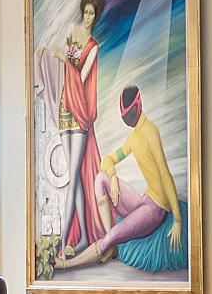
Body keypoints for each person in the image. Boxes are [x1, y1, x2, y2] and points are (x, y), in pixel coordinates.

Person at [53, 86, 183, 273]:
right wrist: (112, 176)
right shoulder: (134, 138)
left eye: (129, 114)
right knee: (101, 179)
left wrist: (177, 219)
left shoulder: (150, 133)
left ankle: (67, 264)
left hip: (156, 209)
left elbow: (165, 174)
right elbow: (108, 160)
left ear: (139, 105)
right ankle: (110, 243)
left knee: (113, 235)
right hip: (145, 200)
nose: (128, 119)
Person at [55, 0, 108, 255]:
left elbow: (81, 76)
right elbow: (67, 66)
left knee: (74, 175)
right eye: (85, 12)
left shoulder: (92, 46)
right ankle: (84, 236)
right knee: (72, 177)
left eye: (92, 14)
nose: (87, 17)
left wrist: (63, 58)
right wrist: (62, 58)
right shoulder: (74, 35)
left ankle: (64, 240)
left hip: (79, 111)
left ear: (96, 16)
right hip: (65, 107)